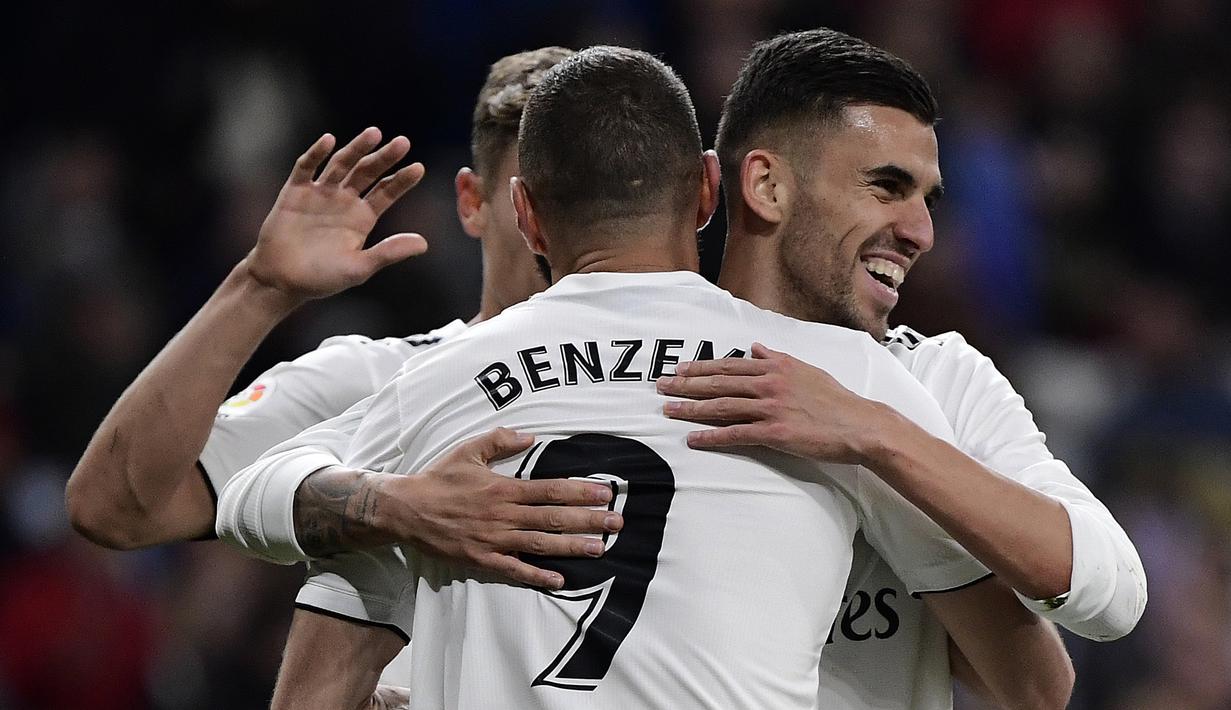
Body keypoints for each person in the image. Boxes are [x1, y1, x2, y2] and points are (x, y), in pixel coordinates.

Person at [219, 45, 1070, 709]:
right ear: (708, 191)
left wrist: (395, 507)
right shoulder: (838, 378)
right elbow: (1036, 677)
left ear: (523, 212)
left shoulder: (441, 381)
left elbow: (250, 497)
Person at [653, 28, 1144, 708]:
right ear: (766, 186)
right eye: (886, 187)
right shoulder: (641, 367)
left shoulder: (938, 379)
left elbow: (1110, 595)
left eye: (926, 199)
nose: (920, 232)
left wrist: (877, 433)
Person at [65, 47, 619, 590]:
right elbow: (114, 507)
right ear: (473, 201)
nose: (575, 227)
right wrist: (259, 288)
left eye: (602, 197)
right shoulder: (370, 383)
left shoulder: (701, 385)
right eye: (546, 196)